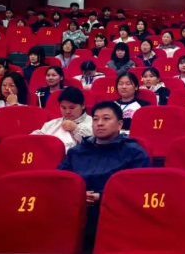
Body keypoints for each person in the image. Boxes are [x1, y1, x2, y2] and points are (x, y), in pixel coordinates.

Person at [58, 101, 149, 250]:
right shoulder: (77, 152)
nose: (99, 123)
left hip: (115, 214)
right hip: (74, 210)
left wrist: (102, 196)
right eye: (95, 119)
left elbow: (138, 190)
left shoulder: (134, 152)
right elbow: (60, 181)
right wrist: (75, 194)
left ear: (119, 124)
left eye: (106, 118)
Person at [32, 87, 93, 151]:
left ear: (83, 105)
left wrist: (76, 129)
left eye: (72, 108)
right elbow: (34, 139)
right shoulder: (52, 124)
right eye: (63, 108)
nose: (67, 112)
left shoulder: (93, 123)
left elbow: (93, 144)